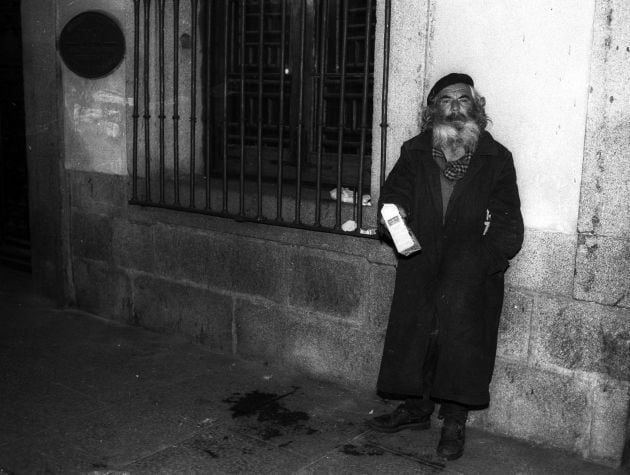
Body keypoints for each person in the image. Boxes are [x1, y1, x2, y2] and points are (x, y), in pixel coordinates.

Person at [368, 73, 524, 461]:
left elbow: (508, 222)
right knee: (420, 334)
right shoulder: (414, 151)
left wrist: (481, 261)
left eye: (463, 100)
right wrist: (396, 215)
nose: (455, 106)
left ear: (476, 108)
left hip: (470, 269)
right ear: (433, 110)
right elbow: (393, 195)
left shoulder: (496, 158)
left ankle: (454, 420)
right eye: (446, 100)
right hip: (421, 261)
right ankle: (417, 409)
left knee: (462, 343)